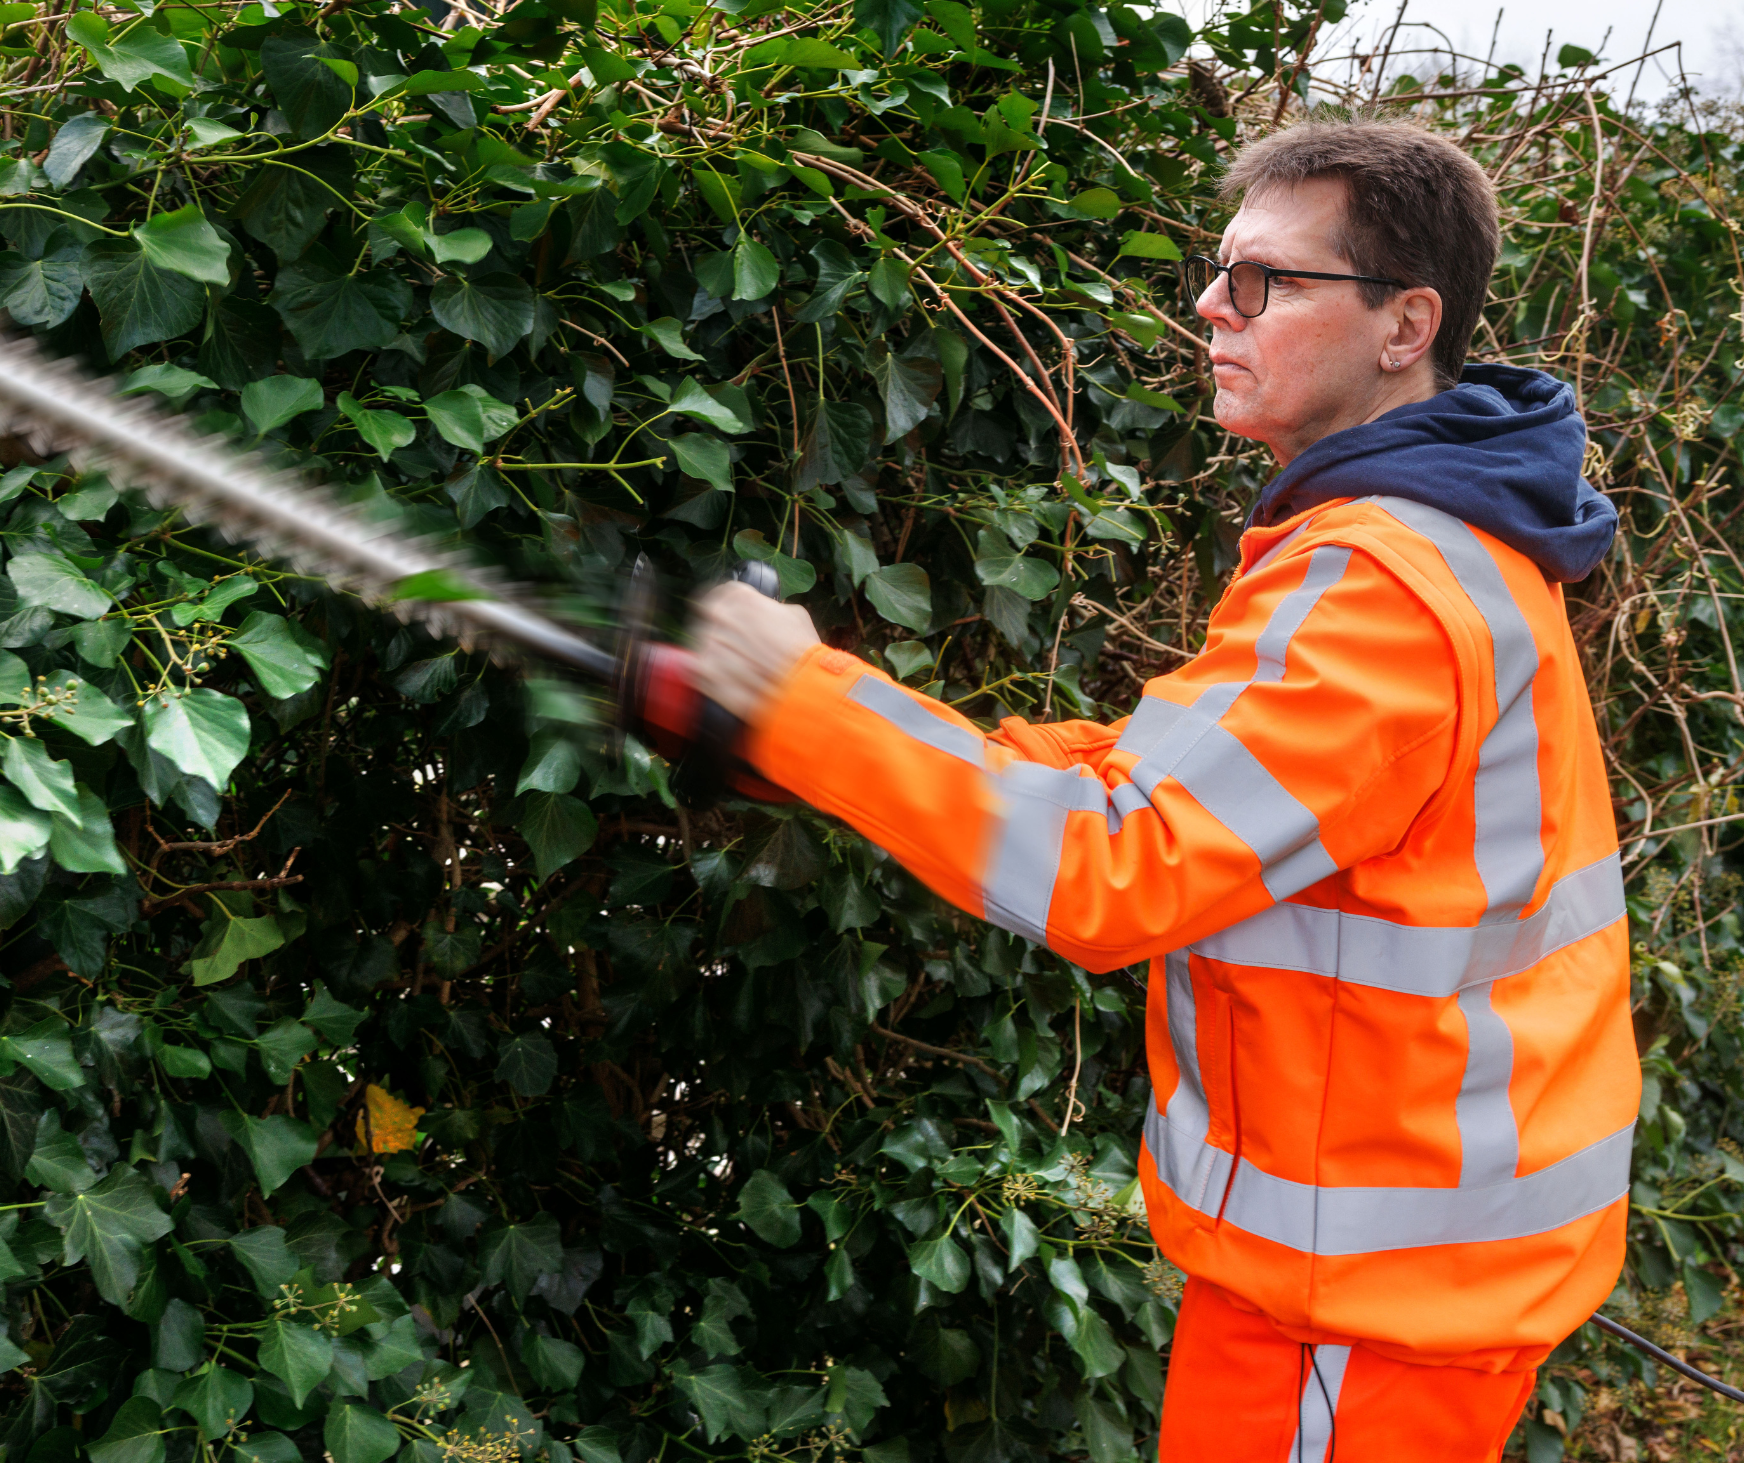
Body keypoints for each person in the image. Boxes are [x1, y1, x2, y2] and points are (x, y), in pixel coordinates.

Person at [686, 114, 1637, 1461]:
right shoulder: (1434, 533)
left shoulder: (1373, 580)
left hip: (1357, 1309)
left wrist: (794, 703)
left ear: (1401, 322)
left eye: (1264, 280)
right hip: (1397, 1272)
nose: (1210, 303)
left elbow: (1109, 866)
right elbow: (1184, 791)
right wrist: (818, 724)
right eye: (1216, 269)